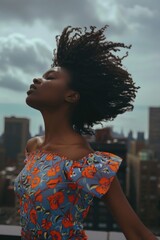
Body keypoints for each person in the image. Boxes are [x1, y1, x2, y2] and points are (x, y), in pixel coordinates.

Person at [14, 25, 158, 240]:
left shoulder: (87, 162)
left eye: (50, 77)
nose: (37, 80)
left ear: (72, 96)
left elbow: (136, 232)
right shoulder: (33, 146)